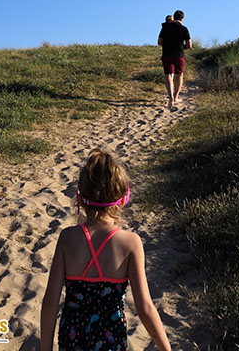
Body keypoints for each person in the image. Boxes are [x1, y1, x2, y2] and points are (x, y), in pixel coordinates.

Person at [40, 149, 172, 351]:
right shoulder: (130, 243)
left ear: (80, 197)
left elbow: (50, 302)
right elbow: (144, 308)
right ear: (123, 199)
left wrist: (45, 349)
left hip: (71, 340)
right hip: (111, 339)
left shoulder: (67, 239)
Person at [157, 10, 192, 110]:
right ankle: (176, 97)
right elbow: (189, 45)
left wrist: (167, 45)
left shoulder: (166, 27)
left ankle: (170, 97)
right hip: (179, 55)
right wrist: (182, 47)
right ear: (182, 18)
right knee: (179, 76)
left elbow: (159, 41)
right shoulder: (184, 29)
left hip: (167, 53)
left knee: (168, 75)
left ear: (174, 17)